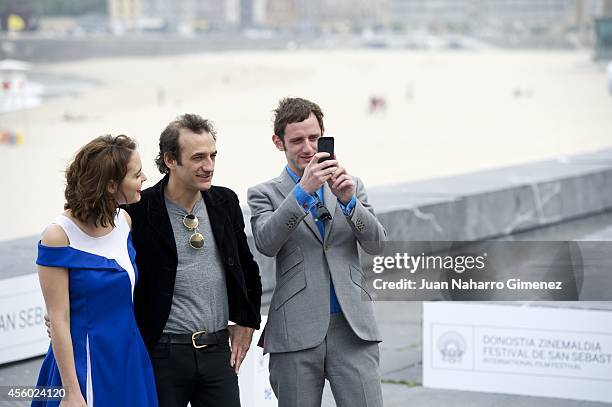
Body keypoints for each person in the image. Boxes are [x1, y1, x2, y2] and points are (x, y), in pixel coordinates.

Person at [247, 97, 387, 407]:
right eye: (297, 140)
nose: (308, 148)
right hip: (295, 333)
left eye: (314, 137)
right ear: (278, 142)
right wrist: (302, 192)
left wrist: (350, 202)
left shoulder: (351, 184)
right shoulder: (263, 193)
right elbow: (266, 243)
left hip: (353, 329)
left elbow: (377, 244)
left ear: (323, 134)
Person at [126, 114, 262, 407]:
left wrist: (247, 320)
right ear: (171, 160)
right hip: (162, 354)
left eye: (213, 155)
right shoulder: (138, 211)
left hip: (217, 352)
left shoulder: (225, 201)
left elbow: (247, 267)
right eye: (198, 157)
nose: (209, 166)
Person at [33, 135, 157, 406]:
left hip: (128, 357)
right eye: (137, 175)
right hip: (83, 364)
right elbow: (58, 318)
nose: (145, 178)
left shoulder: (124, 220)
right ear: (111, 185)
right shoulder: (58, 236)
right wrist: (71, 392)